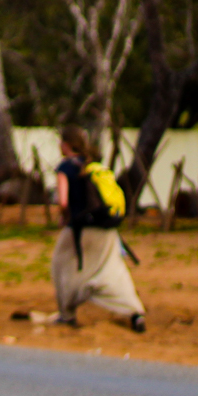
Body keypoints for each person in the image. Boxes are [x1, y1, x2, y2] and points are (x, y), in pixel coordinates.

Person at [52, 125, 146, 332]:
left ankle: (67, 314)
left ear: (66, 145)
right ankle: (135, 312)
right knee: (115, 270)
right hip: (107, 228)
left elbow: (63, 202)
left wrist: (63, 217)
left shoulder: (65, 168)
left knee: (62, 267)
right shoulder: (91, 165)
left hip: (80, 229)